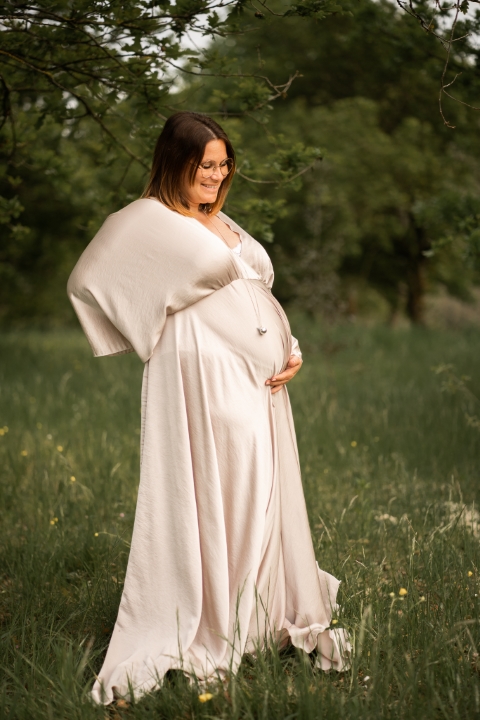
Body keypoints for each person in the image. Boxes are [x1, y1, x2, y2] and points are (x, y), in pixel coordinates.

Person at [67, 111, 350, 704]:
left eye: (224, 165)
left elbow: (254, 290)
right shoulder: (150, 219)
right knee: (231, 490)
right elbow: (87, 276)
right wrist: (136, 329)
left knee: (262, 490)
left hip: (259, 380)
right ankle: (218, 617)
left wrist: (290, 347)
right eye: (205, 166)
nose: (217, 176)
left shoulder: (221, 219)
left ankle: (256, 616)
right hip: (203, 374)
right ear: (175, 163)